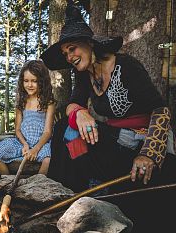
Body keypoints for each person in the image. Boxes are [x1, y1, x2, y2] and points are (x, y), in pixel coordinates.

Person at [40, 1, 176, 194]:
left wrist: (149, 154)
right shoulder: (83, 73)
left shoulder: (126, 66)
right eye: (65, 53)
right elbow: (73, 104)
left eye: (72, 49)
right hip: (114, 142)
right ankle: (66, 194)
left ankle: (75, 192)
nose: (69, 57)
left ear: (89, 43)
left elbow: (161, 110)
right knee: (65, 128)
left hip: (141, 142)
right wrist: (80, 113)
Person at [0, 60, 55, 175]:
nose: (29, 85)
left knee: (48, 158)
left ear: (42, 82)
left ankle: (37, 186)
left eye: (34, 81)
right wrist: (25, 144)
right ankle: (8, 183)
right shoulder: (21, 101)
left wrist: (35, 149)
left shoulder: (48, 102)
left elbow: (48, 132)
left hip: (42, 144)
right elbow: (18, 129)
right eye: (26, 81)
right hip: (22, 143)